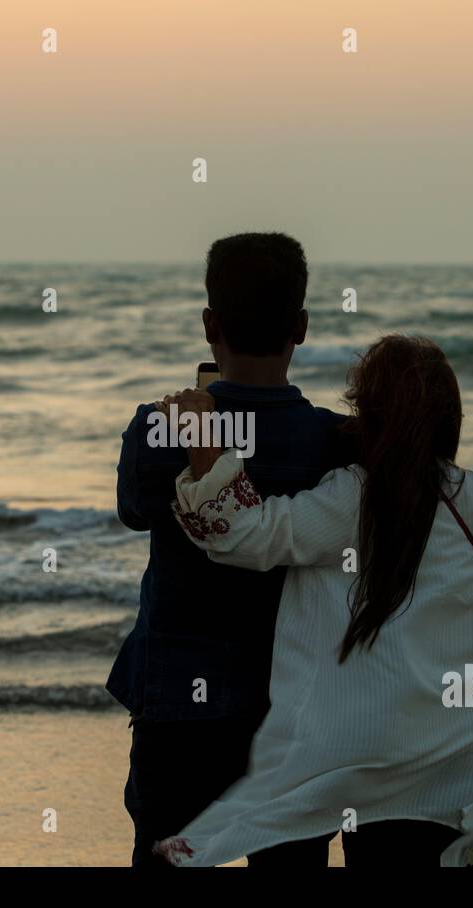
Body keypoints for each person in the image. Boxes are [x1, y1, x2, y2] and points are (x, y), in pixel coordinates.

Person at [154, 334, 473, 867]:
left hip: (382, 769)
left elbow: (240, 534)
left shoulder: (354, 497)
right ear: (452, 419)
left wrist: (202, 436)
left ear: (367, 417)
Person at [106, 232, 355, 867]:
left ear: (210, 325)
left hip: (180, 699)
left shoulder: (162, 427)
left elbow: (134, 510)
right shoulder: (333, 442)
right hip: (291, 707)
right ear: (300, 326)